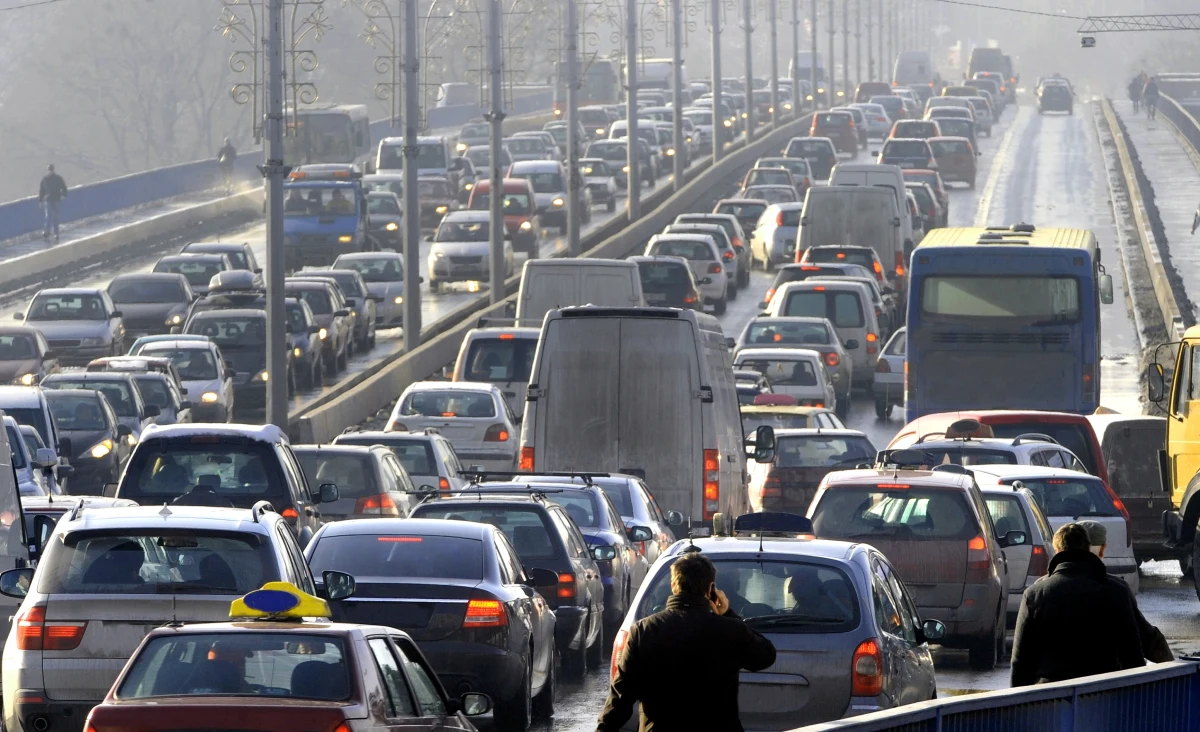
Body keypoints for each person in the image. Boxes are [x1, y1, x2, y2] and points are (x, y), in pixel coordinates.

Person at [595, 551, 776, 732]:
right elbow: (766, 656)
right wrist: (728, 614)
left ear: (674, 586)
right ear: (710, 589)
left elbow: (621, 698)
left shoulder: (644, 632)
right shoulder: (730, 630)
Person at [1011, 523, 1145, 686]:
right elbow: (1132, 655)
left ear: (1057, 551)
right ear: (1088, 549)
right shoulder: (1116, 591)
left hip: (1050, 696)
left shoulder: (1035, 594)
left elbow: (1021, 662)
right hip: (1104, 694)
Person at [1077, 520, 1174, 663]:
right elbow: (1146, 638)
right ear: (1102, 550)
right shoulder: (1116, 590)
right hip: (1108, 679)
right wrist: (1172, 669)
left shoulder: (1038, 590)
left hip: (1049, 683)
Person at [38, 164, 67, 241]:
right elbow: (42, 191)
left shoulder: (58, 178)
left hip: (57, 199)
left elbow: (64, 187)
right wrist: (40, 200)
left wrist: (63, 195)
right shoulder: (45, 179)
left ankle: (56, 233)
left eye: (51, 170)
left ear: (53, 170)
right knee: (48, 216)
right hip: (48, 200)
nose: (50, 171)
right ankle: (46, 232)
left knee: (56, 217)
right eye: (49, 170)